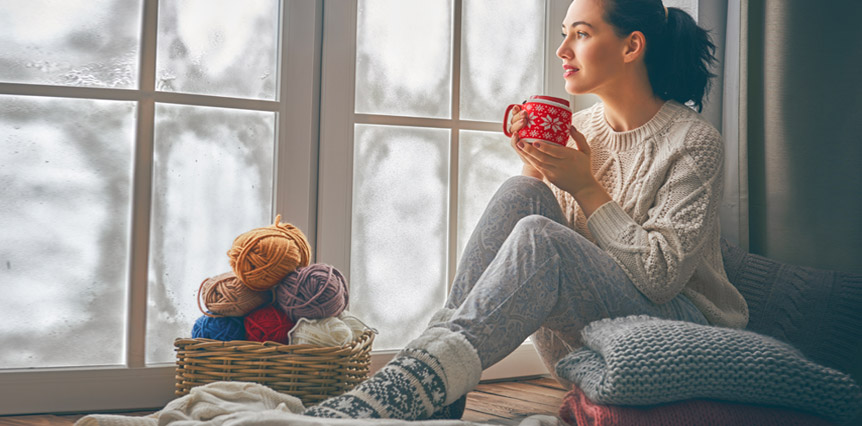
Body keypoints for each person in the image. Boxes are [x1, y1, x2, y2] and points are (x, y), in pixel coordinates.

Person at [304, 0, 748, 420]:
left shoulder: (693, 142)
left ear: (632, 45)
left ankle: (414, 382)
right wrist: (533, 164)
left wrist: (587, 188)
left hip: (681, 340)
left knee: (542, 236)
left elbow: (661, 276)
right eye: (563, 34)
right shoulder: (584, 127)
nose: (562, 49)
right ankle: (430, 371)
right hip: (587, 343)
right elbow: (547, 235)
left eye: (581, 33)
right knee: (522, 192)